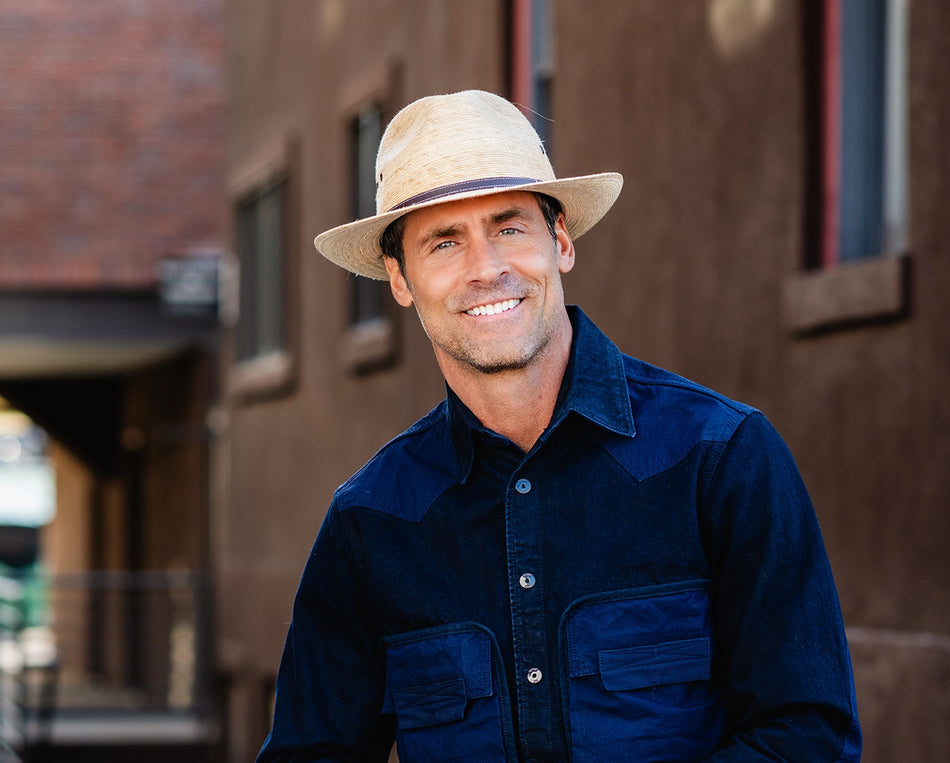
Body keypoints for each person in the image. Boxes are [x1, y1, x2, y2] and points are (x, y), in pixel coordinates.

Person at [257, 90, 861, 762]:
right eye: (444, 241)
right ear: (400, 279)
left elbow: (808, 738)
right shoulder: (370, 520)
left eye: (509, 227)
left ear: (561, 242)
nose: (486, 268)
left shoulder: (721, 459)